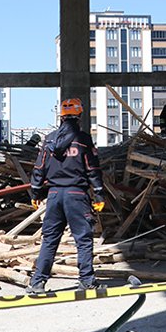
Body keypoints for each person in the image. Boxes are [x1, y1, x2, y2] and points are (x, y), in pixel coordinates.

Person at [27, 98, 105, 294]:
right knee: (83, 238)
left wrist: (35, 192)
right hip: (76, 195)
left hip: (53, 195)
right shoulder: (83, 140)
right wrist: (99, 195)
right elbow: (92, 169)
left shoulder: (49, 140)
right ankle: (86, 280)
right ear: (80, 115)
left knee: (50, 239)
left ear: (60, 117)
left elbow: (39, 168)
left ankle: (37, 282)